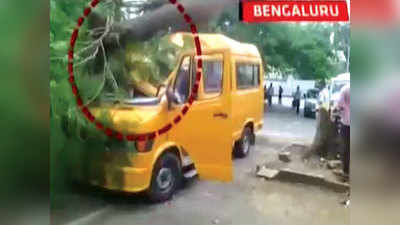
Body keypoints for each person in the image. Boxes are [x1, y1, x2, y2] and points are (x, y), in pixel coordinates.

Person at [337, 84, 350, 176]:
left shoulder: (345, 89)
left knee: (346, 147)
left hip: (346, 122)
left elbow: (339, 105)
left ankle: (346, 171)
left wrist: (342, 113)